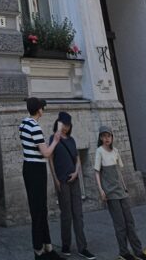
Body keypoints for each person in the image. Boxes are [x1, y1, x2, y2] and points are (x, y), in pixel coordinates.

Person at [93, 125, 146, 260]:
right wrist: (101, 190)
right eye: (104, 136)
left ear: (112, 137)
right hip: (110, 193)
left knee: (130, 222)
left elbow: (119, 172)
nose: (106, 138)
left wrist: (125, 188)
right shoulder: (99, 151)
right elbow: (97, 172)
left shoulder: (116, 151)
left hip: (121, 191)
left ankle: (138, 251)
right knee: (120, 224)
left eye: (109, 136)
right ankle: (123, 252)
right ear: (101, 138)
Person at [48, 111, 96, 259]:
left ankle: (83, 247)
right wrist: (55, 179)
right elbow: (50, 160)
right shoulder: (53, 139)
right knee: (66, 215)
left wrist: (76, 173)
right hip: (61, 181)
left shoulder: (72, 140)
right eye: (63, 124)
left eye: (68, 125)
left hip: (74, 180)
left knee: (78, 214)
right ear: (58, 123)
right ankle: (66, 245)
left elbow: (77, 159)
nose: (65, 128)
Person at [19, 97, 62, 257]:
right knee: (38, 211)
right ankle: (39, 250)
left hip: (28, 167)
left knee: (40, 208)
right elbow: (46, 153)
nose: (43, 109)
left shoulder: (24, 123)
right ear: (39, 110)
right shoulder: (35, 127)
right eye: (43, 107)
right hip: (36, 169)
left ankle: (48, 247)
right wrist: (56, 140)